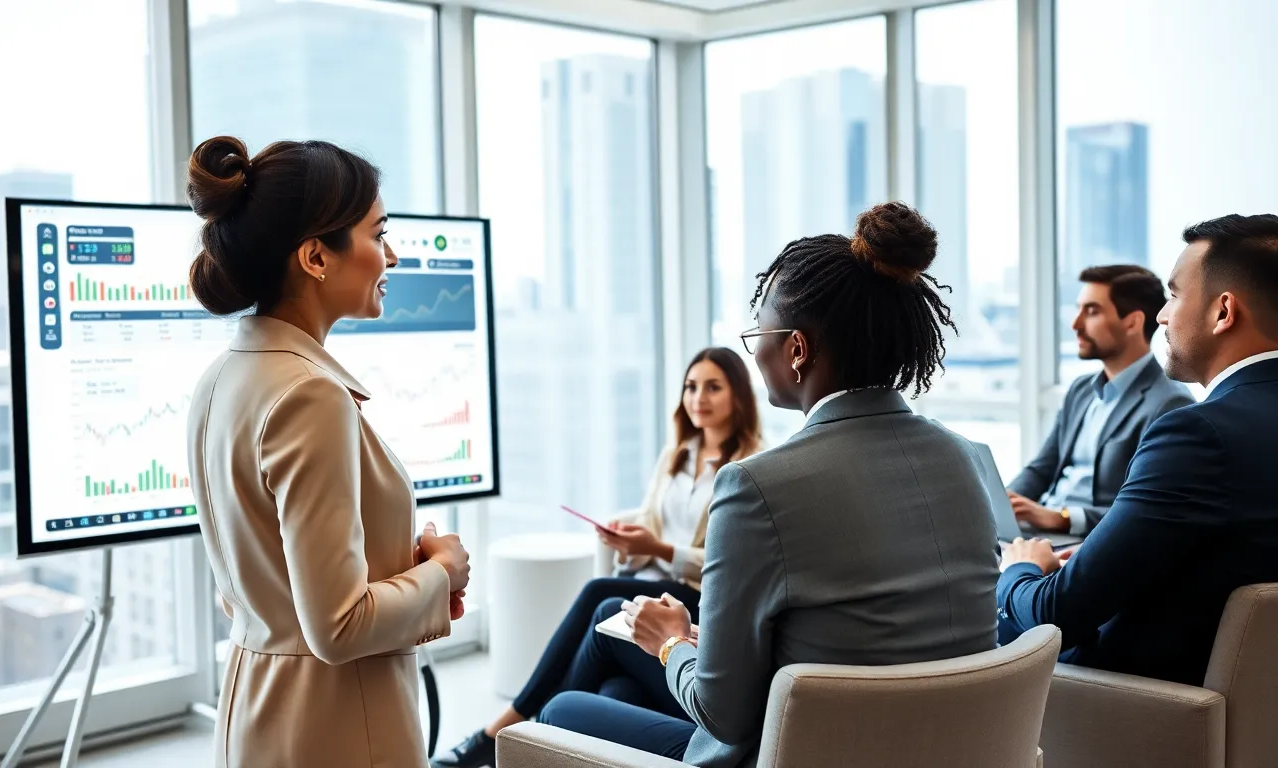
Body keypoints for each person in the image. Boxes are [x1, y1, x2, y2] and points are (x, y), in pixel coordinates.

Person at [536, 202, 1001, 767]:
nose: (754, 350)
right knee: (616, 693)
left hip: (798, 752)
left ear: (797, 349)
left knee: (563, 710)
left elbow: (725, 713)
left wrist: (673, 643)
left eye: (760, 331)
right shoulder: (967, 459)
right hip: (944, 747)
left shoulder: (757, 486)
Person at [184, 136, 471, 768]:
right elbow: (339, 626)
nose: (391, 256)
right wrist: (442, 572)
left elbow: (255, 584)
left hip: (259, 709)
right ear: (316, 256)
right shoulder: (309, 396)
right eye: (378, 233)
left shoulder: (222, 378)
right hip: (337, 725)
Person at [431, 348, 763, 768]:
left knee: (603, 598)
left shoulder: (750, 465)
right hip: (655, 584)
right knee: (616, 689)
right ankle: (540, 738)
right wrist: (628, 542)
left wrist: (657, 550)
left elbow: (727, 561)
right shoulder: (677, 454)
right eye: (691, 386)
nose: (698, 397)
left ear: (739, 396)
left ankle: (509, 730)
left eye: (713, 387)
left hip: (693, 598)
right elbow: (650, 518)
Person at [998, 213, 1278, 686]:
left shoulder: (1196, 433)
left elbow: (1058, 613)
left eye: (1173, 296)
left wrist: (1020, 569)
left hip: (1135, 702)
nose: (1163, 317)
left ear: (1223, 312)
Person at [1008, 265, 1192, 535]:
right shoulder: (1081, 391)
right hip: (1041, 533)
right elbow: (1041, 470)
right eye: (1078, 308)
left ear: (1132, 322)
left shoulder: (1169, 403)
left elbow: (1152, 511)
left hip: (1088, 541)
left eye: (1092, 311)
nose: (1075, 324)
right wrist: (1003, 505)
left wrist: (1062, 518)